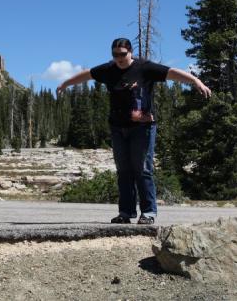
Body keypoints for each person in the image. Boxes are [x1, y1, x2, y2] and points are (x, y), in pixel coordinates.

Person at [56, 37, 211, 224]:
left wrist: (196, 81)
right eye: (115, 55)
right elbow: (87, 75)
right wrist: (65, 84)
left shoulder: (144, 68)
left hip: (142, 128)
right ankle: (126, 213)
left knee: (143, 169)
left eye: (122, 54)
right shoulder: (108, 70)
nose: (118, 58)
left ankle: (148, 213)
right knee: (123, 171)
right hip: (117, 128)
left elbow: (172, 73)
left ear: (130, 52)